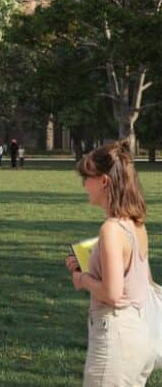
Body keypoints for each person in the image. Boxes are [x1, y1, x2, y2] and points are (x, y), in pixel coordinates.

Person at [65, 142, 155, 386]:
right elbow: (138, 279)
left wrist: (82, 279)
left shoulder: (111, 229)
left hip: (114, 338)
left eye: (87, 177)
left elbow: (113, 294)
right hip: (138, 336)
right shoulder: (136, 224)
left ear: (104, 181)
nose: (84, 184)